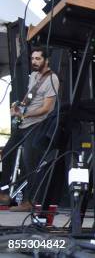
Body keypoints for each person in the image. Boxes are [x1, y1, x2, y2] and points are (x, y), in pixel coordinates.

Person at [0, 47, 60, 212]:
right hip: (24, 122)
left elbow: (47, 108)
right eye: (33, 58)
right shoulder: (34, 75)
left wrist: (25, 115)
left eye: (38, 59)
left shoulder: (52, 79)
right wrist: (19, 106)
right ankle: (4, 194)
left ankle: (29, 201)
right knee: (6, 154)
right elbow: (31, 97)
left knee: (29, 163)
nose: (34, 61)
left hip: (37, 124)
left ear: (46, 60)